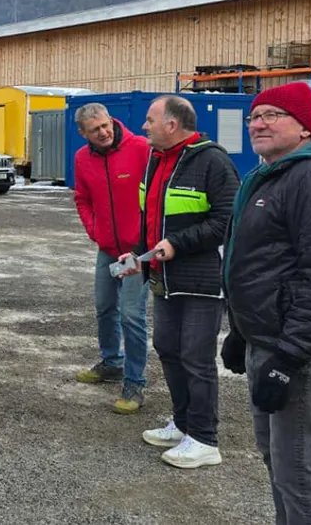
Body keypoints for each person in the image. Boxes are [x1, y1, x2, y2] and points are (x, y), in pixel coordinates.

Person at [220, 82, 311, 525]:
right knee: (277, 462)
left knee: (296, 470)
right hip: (266, 340)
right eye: (254, 116)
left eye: (272, 115)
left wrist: (288, 358)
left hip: (300, 352)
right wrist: (240, 331)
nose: (258, 124)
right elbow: (258, 265)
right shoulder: (268, 176)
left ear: (304, 127)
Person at [117, 94, 239, 469]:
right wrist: (139, 255)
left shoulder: (213, 161)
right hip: (164, 277)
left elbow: (228, 220)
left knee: (196, 358)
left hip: (201, 281)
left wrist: (177, 244)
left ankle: (204, 439)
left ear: (172, 124)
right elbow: (152, 218)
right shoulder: (158, 159)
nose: (143, 126)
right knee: (168, 348)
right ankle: (184, 424)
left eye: (150, 120)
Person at [71, 103, 152, 414]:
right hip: (108, 249)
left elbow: (156, 193)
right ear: (83, 133)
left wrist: (145, 239)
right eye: (95, 130)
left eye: (105, 125)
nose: (103, 132)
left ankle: (135, 383)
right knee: (105, 306)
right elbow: (82, 198)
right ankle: (111, 362)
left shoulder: (141, 148)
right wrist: (95, 230)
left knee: (131, 314)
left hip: (137, 251)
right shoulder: (82, 158)